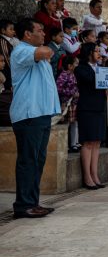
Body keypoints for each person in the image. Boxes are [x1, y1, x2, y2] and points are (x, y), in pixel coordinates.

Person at [10, 18, 61, 218]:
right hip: (28, 114)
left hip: (41, 113)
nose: (43, 34)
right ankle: (23, 205)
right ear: (27, 34)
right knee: (28, 160)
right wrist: (49, 48)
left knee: (37, 160)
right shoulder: (21, 51)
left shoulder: (34, 51)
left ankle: (33, 202)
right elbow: (46, 52)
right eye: (40, 30)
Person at [74, 42, 106, 190]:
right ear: (88, 53)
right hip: (87, 108)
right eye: (96, 51)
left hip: (99, 107)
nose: (99, 54)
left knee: (97, 142)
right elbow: (90, 80)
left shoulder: (99, 68)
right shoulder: (81, 68)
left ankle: (95, 174)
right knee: (88, 142)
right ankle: (87, 176)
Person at [0, 20, 15, 90]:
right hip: (6, 70)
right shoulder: (3, 41)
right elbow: (6, 57)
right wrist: (13, 69)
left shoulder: (8, 41)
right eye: (11, 29)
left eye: (13, 29)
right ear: (3, 31)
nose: (13, 31)